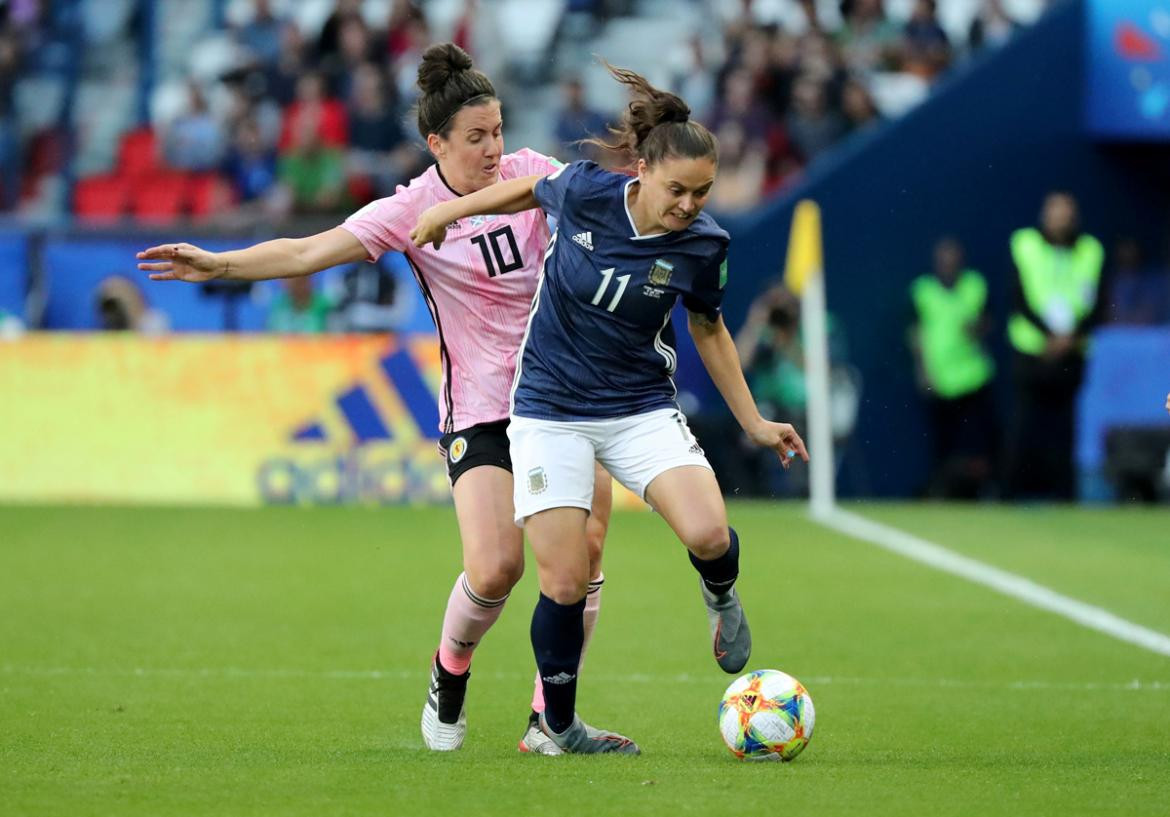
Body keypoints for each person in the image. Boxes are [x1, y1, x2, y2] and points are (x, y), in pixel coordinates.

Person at [137, 43, 613, 756]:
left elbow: (603, 213)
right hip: (481, 405)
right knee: (494, 569)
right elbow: (305, 252)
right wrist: (220, 261)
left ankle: (549, 719)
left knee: (587, 551)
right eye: (476, 137)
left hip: (562, 398)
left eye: (499, 131)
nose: (494, 149)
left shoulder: (533, 175)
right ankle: (449, 672)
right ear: (436, 142)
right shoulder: (413, 206)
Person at [410, 63, 809, 755]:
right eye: (677, 188)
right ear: (644, 170)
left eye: (703, 191)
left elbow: (710, 329)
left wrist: (752, 419)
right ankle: (557, 725)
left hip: (639, 407)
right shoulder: (588, 193)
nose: (689, 204)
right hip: (548, 408)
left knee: (711, 532)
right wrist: (449, 210)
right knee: (564, 577)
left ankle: (721, 597)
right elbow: (525, 188)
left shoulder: (705, 244)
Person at [1003, 192, 1104, 500]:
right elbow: (1018, 298)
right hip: (1033, 350)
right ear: (1045, 215)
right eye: (1056, 213)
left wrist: (1071, 336)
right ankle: (1010, 494)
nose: (1062, 220)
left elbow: (1099, 301)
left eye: (1068, 214)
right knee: (1025, 424)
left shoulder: (1090, 250)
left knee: (1065, 427)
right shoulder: (1025, 244)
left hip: (1072, 352)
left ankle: (1064, 495)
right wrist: (1048, 335)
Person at [908, 238, 996, 499]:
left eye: (953, 259)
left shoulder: (975, 285)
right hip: (940, 380)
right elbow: (915, 334)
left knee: (977, 443)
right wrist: (923, 371)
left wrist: (977, 328)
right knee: (942, 443)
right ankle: (943, 492)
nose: (948, 264)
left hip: (973, 377)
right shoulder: (922, 291)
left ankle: (980, 491)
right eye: (944, 260)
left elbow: (988, 322)